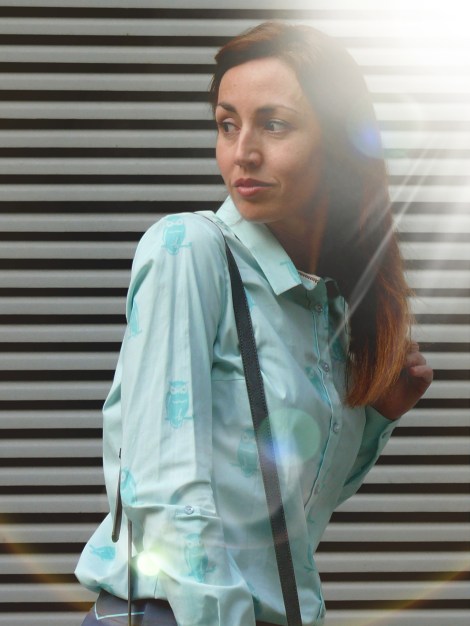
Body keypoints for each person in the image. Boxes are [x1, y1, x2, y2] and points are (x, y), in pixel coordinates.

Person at [76, 21, 433, 626]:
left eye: (274, 124)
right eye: (227, 124)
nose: (242, 152)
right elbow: (166, 494)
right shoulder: (189, 249)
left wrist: (376, 416)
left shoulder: (326, 310)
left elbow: (292, 521)